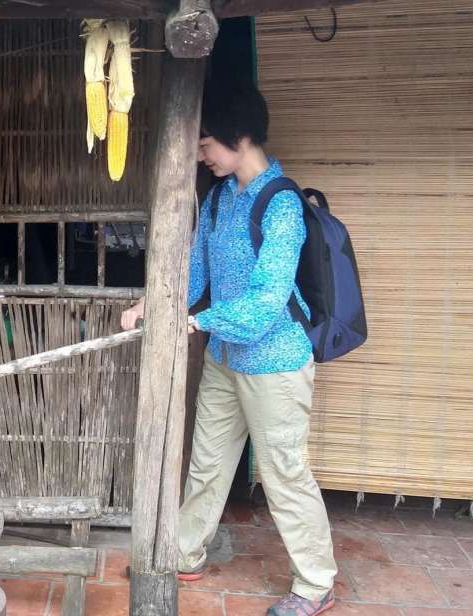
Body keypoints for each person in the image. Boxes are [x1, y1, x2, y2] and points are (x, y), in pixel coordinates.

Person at [121, 85, 338, 616]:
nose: (201, 154)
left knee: (285, 473)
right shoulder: (219, 198)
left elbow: (266, 302)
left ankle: (315, 584)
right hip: (225, 356)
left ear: (240, 138)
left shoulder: (281, 203)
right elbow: (194, 269)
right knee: (208, 462)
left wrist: (196, 321)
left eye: (206, 144)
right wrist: (152, 304)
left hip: (276, 362)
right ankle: (183, 551)